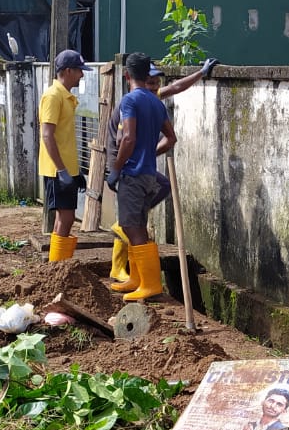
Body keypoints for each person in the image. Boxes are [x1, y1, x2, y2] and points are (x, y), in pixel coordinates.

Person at [106, 56, 219, 282]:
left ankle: (140, 278)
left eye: (157, 82)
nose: (156, 86)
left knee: (134, 220)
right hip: (123, 162)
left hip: (137, 165)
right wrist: (117, 168)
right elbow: (122, 140)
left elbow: (176, 87)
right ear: (140, 80)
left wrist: (200, 73)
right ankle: (121, 269)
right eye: (151, 82)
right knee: (128, 223)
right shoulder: (131, 103)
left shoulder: (150, 99)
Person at [105, 52, 177, 300]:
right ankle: (137, 279)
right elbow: (171, 138)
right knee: (139, 226)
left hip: (133, 175)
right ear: (147, 75)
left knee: (130, 227)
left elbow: (128, 138)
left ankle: (150, 285)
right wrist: (150, 153)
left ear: (127, 75)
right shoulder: (156, 102)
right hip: (149, 174)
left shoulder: (130, 100)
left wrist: (116, 168)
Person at [40, 49, 90, 262]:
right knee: (66, 218)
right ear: (68, 71)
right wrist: (61, 170)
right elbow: (47, 134)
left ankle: (60, 266)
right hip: (56, 169)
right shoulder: (53, 95)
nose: (82, 75)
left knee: (66, 218)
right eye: (80, 71)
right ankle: (57, 267)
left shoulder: (65, 96)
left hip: (65, 168)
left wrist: (74, 171)